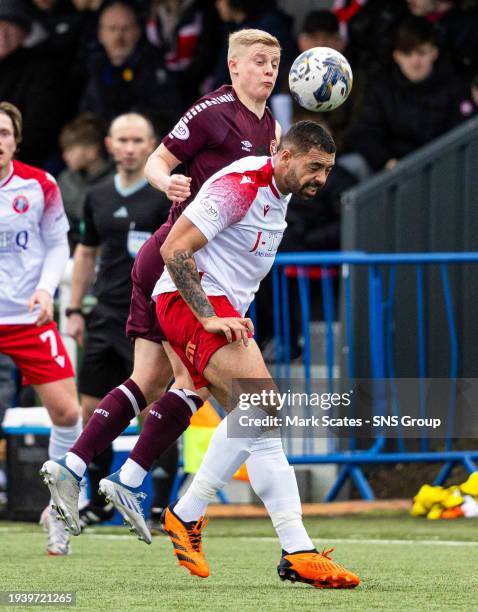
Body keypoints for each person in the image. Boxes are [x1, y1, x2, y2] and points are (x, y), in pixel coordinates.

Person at [40, 28, 283, 531]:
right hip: (176, 259)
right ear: (234, 67)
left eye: (275, 62)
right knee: (196, 380)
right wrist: (164, 181)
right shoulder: (212, 110)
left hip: (195, 265)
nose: (268, 69)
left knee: (150, 381)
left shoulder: (270, 125)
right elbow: (158, 158)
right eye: (259, 60)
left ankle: (77, 464)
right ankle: (131, 478)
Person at [106, 121, 360, 588]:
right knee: (262, 406)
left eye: (328, 168)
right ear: (284, 157)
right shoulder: (242, 186)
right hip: (189, 300)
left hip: (219, 305)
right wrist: (205, 316)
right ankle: (185, 512)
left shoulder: (279, 192)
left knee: (261, 428)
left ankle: (297, 550)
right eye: (314, 166)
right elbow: (174, 248)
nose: (322, 178)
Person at [62, 112, 171, 527]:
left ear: (151, 146)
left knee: (154, 406)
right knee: (91, 407)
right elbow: (86, 254)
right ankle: (98, 502)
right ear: (109, 145)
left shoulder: (167, 194)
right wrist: (74, 309)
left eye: (137, 141)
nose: (129, 148)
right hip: (105, 314)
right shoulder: (98, 194)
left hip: (151, 313)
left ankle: (161, 505)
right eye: (121, 140)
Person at [0, 101, 82, 555]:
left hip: (29, 319)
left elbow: (57, 246)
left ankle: (57, 505)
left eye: (5, 133)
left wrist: (46, 291)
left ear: (16, 140)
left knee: (68, 413)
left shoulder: (39, 185)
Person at [80, 0, 182, 134]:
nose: (119, 37)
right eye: (112, 29)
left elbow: (167, 119)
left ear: (138, 32)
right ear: (101, 34)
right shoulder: (92, 67)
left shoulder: (155, 67)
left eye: (125, 29)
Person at [57, 113, 114, 253]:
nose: (65, 155)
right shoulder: (65, 180)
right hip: (69, 256)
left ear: (91, 151)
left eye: (70, 149)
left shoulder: (116, 180)